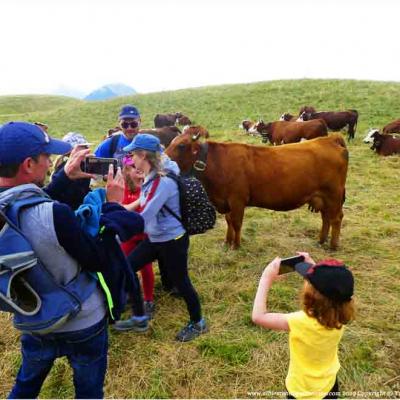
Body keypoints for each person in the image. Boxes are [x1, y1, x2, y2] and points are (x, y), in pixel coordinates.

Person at [0, 121, 142, 399]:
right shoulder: (57, 215)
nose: (49, 162)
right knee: (88, 391)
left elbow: (24, 212)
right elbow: (98, 258)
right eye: (46, 157)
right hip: (82, 323)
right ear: (29, 164)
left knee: (26, 386)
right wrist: (113, 203)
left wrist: (64, 177)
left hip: (33, 318)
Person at [113, 134, 208, 341]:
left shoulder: (162, 181)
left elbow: (144, 216)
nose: (131, 159)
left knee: (182, 282)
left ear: (144, 155)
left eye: (133, 155)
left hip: (172, 241)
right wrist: (122, 207)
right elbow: (143, 200)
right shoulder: (151, 175)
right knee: (128, 267)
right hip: (155, 238)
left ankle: (198, 323)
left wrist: (114, 224)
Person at [252, 252, 355, 400]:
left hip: (300, 390)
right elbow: (329, 289)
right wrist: (313, 267)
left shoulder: (299, 321)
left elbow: (258, 316)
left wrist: (266, 278)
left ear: (310, 296)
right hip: (329, 387)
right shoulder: (341, 317)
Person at [121, 155, 155, 318]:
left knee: (146, 267)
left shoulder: (149, 185)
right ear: (127, 170)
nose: (139, 170)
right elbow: (120, 208)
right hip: (128, 235)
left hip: (145, 234)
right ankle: (131, 293)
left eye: (140, 166)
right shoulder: (123, 187)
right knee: (126, 266)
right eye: (134, 167)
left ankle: (148, 299)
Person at [52, 131, 93, 210]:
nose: (87, 150)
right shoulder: (65, 168)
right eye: (83, 147)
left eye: (86, 147)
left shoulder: (83, 166)